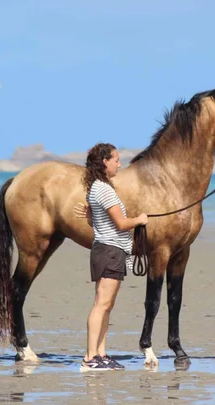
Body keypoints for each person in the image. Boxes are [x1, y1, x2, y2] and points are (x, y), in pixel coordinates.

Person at [75, 143, 148, 372]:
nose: (119, 164)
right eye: (116, 160)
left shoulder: (96, 188)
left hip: (108, 250)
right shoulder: (104, 190)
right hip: (109, 251)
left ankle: (101, 354)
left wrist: (90, 214)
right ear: (105, 162)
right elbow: (121, 224)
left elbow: (95, 223)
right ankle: (90, 357)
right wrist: (140, 220)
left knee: (107, 305)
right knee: (101, 305)